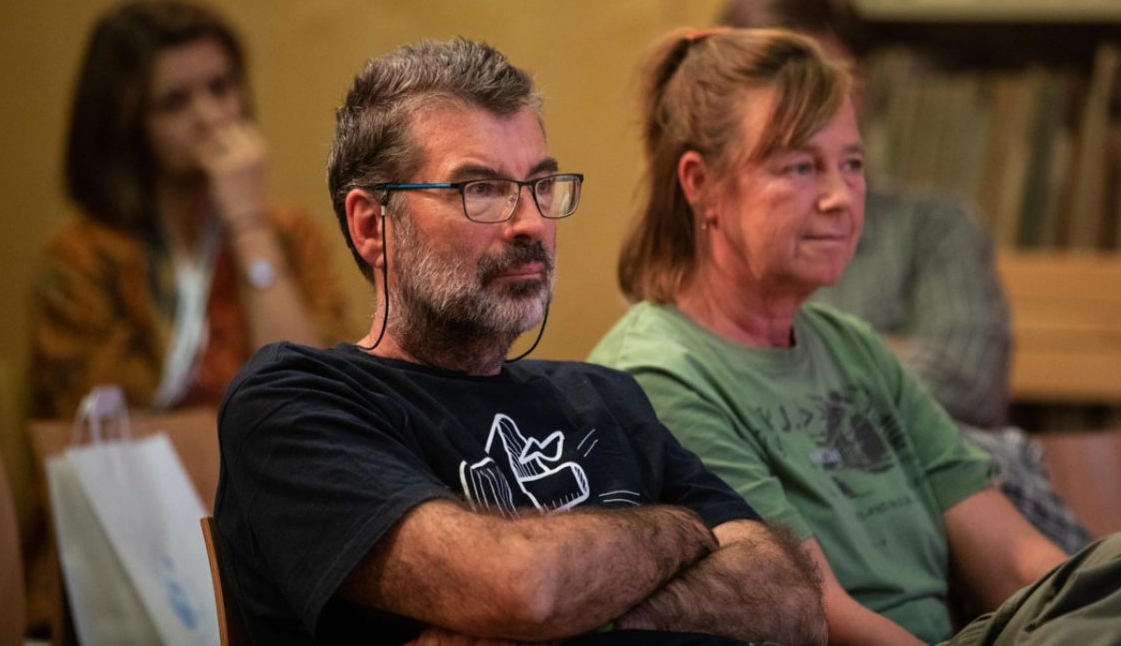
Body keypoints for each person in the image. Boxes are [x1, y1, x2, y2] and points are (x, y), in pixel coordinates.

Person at [589, 26, 1121, 644]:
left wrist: (1102, 608)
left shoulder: (851, 345)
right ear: (700, 183)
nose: (840, 197)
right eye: (800, 166)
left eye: (851, 165)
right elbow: (818, 612)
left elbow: (1015, 559)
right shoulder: (659, 372)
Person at [213, 37, 826, 645]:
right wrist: (682, 529)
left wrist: (586, 615)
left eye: (541, 184)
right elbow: (521, 587)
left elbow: (789, 596)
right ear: (373, 226)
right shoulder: (296, 400)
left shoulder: (604, 396)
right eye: (480, 190)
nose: (531, 222)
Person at [716, 0, 1091, 554]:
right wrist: (882, 355)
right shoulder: (701, 253)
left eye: (824, 78)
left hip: (938, 527)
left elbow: (966, 382)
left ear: (859, 88)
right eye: (776, 84)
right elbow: (696, 408)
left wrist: (782, 380)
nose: (804, 105)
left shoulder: (936, 227)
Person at [28, 0, 348, 419]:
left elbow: (314, 401)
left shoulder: (289, 235)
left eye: (220, 88)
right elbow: (93, 423)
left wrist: (248, 225)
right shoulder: (83, 256)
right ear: (126, 122)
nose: (210, 116)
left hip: (268, 458)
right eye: (174, 103)